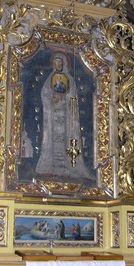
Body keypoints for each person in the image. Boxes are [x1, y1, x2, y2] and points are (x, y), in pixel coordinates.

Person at [35, 52, 93, 180]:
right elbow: (44, 94)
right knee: (52, 139)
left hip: (65, 115)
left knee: (66, 139)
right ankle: (50, 167)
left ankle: (69, 166)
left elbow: (72, 97)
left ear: (64, 64)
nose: (58, 64)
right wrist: (52, 98)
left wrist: (63, 98)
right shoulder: (50, 79)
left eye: (61, 62)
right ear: (53, 64)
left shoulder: (69, 79)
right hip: (53, 115)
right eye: (56, 62)